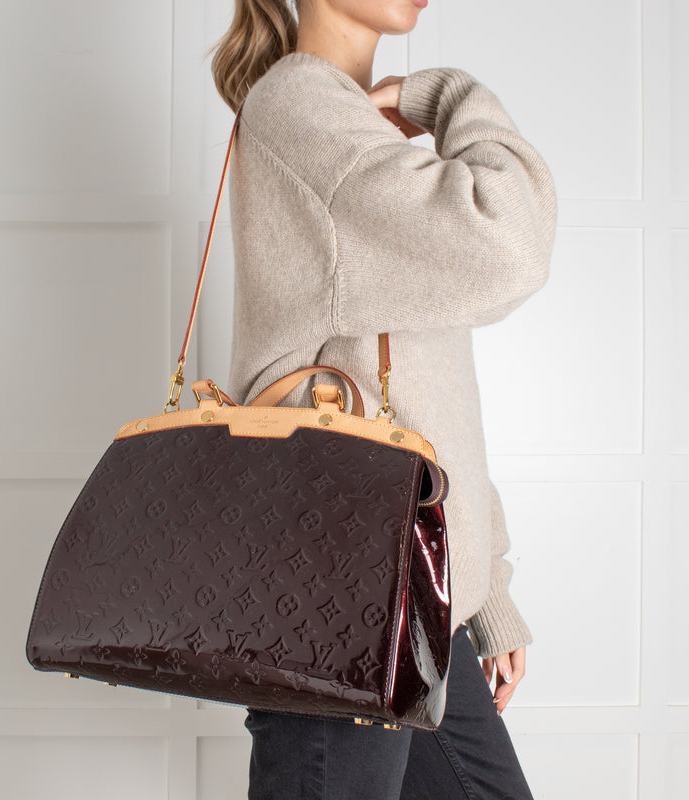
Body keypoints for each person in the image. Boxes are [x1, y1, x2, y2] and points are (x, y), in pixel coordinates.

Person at [211, 1, 557, 798]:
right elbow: (510, 243)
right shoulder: (301, 105)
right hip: (337, 603)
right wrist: (447, 95)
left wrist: (486, 592)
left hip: (409, 597)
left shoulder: (352, 131)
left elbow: (430, 400)